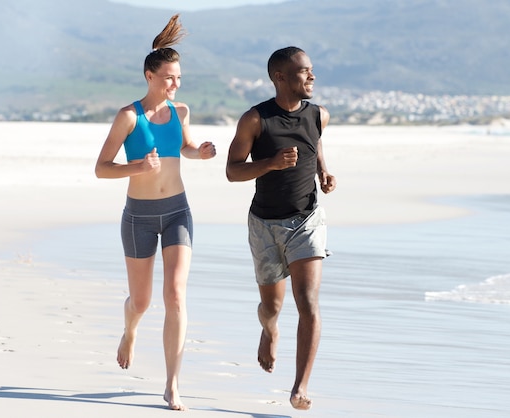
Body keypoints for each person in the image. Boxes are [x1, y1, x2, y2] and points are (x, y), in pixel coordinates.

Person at [94, 14, 216, 411]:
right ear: (150, 75)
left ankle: (172, 384)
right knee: (143, 301)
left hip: (178, 211)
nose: (175, 84)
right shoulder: (128, 116)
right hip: (139, 217)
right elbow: (101, 168)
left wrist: (201, 152)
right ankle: (130, 330)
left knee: (176, 296)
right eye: (168, 77)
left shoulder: (181, 112)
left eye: (178, 77)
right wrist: (136, 168)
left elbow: (185, 147)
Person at [225, 46, 336, 410]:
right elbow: (232, 171)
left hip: (306, 219)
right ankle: (269, 330)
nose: (312, 76)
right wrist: (270, 163)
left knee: (308, 301)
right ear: (280, 77)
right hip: (264, 225)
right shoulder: (255, 120)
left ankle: (300, 386)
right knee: (271, 306)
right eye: (304, 71)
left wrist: (321, 169)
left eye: (312, 70)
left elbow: (314, 140)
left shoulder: (320, 114)